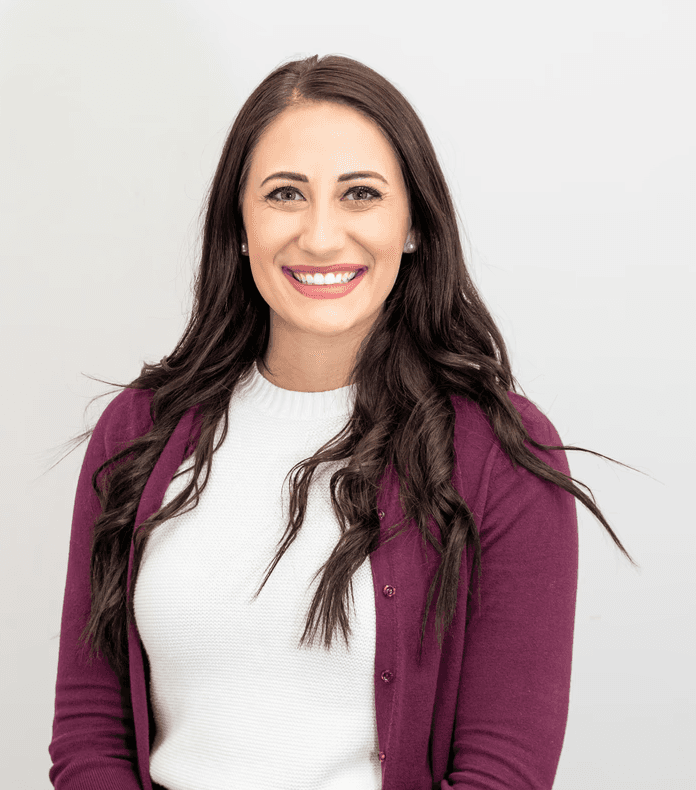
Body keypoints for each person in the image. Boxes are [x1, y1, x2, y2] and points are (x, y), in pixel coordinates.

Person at [48, 54, 638, 790]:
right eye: (284, 194)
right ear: (239, 226)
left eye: (359, 194)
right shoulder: (139, 430)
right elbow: (87, 733)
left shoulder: (500, 454)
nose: (321, 237)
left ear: (413, 224)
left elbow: (502, 772)